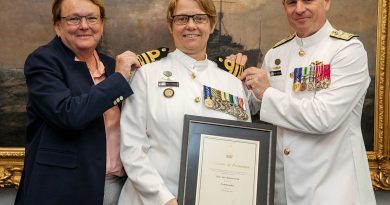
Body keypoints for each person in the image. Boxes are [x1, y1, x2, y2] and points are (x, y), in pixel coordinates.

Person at [238, 0, 376, 204]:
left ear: (326, 2)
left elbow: (323, 117)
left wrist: (266, 93)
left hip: (335, 191)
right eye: (292, 2)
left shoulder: (347, 50)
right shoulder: (276, 54)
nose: (299, 9)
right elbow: (252, 107)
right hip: (282, 192)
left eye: (308, 0)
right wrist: (233, 79)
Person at [118, 0, 251, 204]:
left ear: (212, 24)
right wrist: (164, 199)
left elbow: (242, 147)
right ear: (170, 25)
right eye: (182, 18)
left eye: (199, 18)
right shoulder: (146, 74)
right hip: (151, 199)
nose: (191, 25)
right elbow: (132, 147)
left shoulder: (231, 80)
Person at [14, 0, 140, 204]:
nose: (84, 26)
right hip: (62, 190)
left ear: (102, 23)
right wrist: (119, 79)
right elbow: (68, 115)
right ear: (57, 25)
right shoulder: (43, 61)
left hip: (118, 188)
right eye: (74, 19)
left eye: (92, 18)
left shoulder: (110, 66)